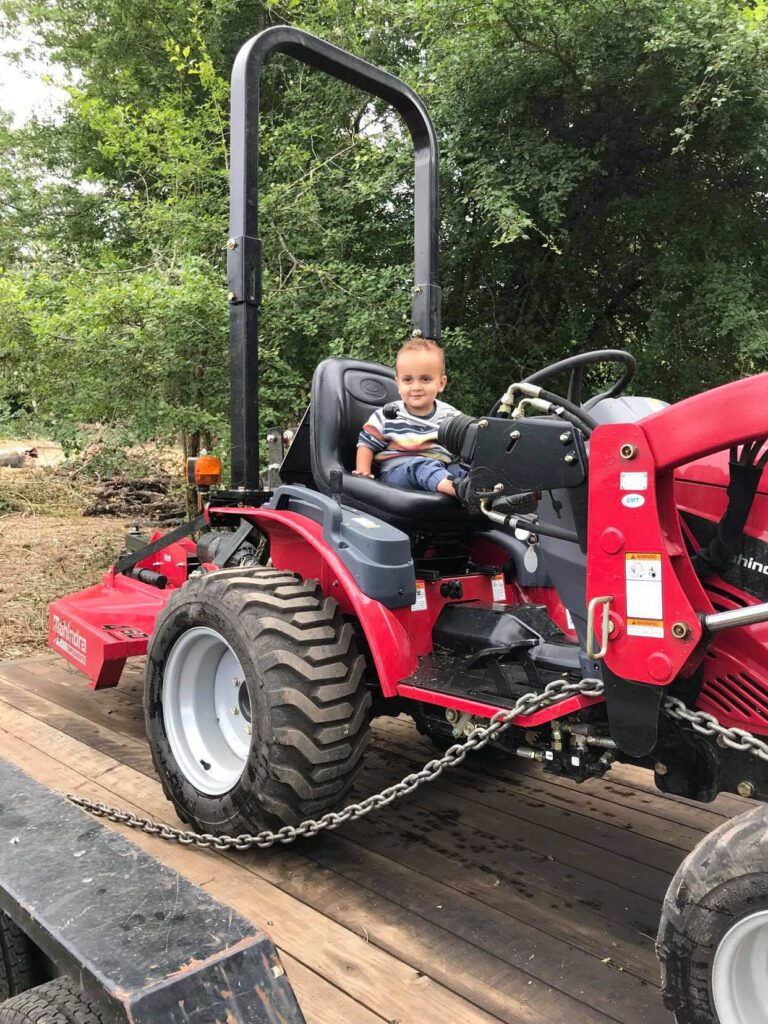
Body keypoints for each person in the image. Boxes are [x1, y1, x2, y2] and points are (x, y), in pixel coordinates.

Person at [354, 337, 467, 498]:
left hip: (442, 470)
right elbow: (366, 444)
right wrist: (363, 475)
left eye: (425, 379)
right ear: (398, 384)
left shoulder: (450, 416)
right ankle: (459, 491)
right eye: (408, 380)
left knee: (465, 470)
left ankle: (486, 495)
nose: (416, 387)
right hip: (397, 475)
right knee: (421, 465)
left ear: (441, 383)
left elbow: (469, 440)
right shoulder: (388, 415)